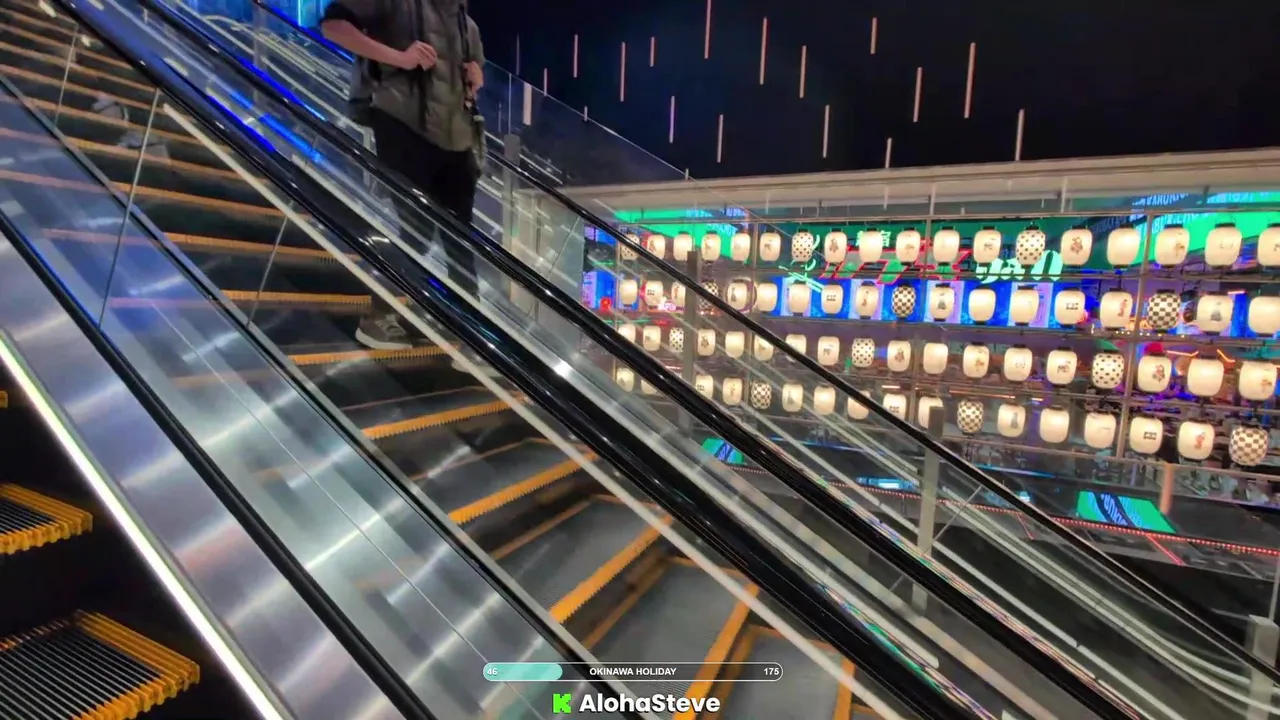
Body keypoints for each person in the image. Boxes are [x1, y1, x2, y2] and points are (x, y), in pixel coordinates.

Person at [321, 0, 485, 352]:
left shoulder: (465, 23)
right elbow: (333, 27)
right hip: (403, 124)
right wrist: (400, 58)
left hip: (457, 137)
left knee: (460, 238)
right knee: (417, 229)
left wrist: (476, 75)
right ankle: (378, 316)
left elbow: (469, 74)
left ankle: (468, 332)